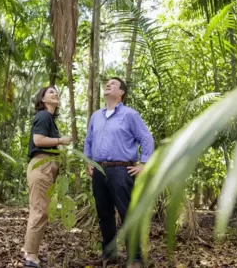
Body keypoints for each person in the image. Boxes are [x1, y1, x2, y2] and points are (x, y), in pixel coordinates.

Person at [84, 77, 154, 268]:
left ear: (121, 92)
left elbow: (146, 138)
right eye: (107, 83)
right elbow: (88, 141)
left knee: (127, 214)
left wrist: (144, 164)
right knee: (104, 214)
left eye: (113, 83)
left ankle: (136, 257)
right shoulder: (95, 116)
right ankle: (109, 255)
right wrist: (88, 161)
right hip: (99, 171)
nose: (108, 84)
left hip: (122, 170)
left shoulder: (130, 115)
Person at [23, 86, 72, 268]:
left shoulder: (48, 118)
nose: (55, 93)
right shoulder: (43, 115)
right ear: (43, 99)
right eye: (50, 92)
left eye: (56, 92)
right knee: (40, 211)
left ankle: (30, 251)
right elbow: (38, 140)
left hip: (46, 166)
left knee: (40, 210)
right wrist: (61, 141)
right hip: (41, 165)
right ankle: (30, 257)